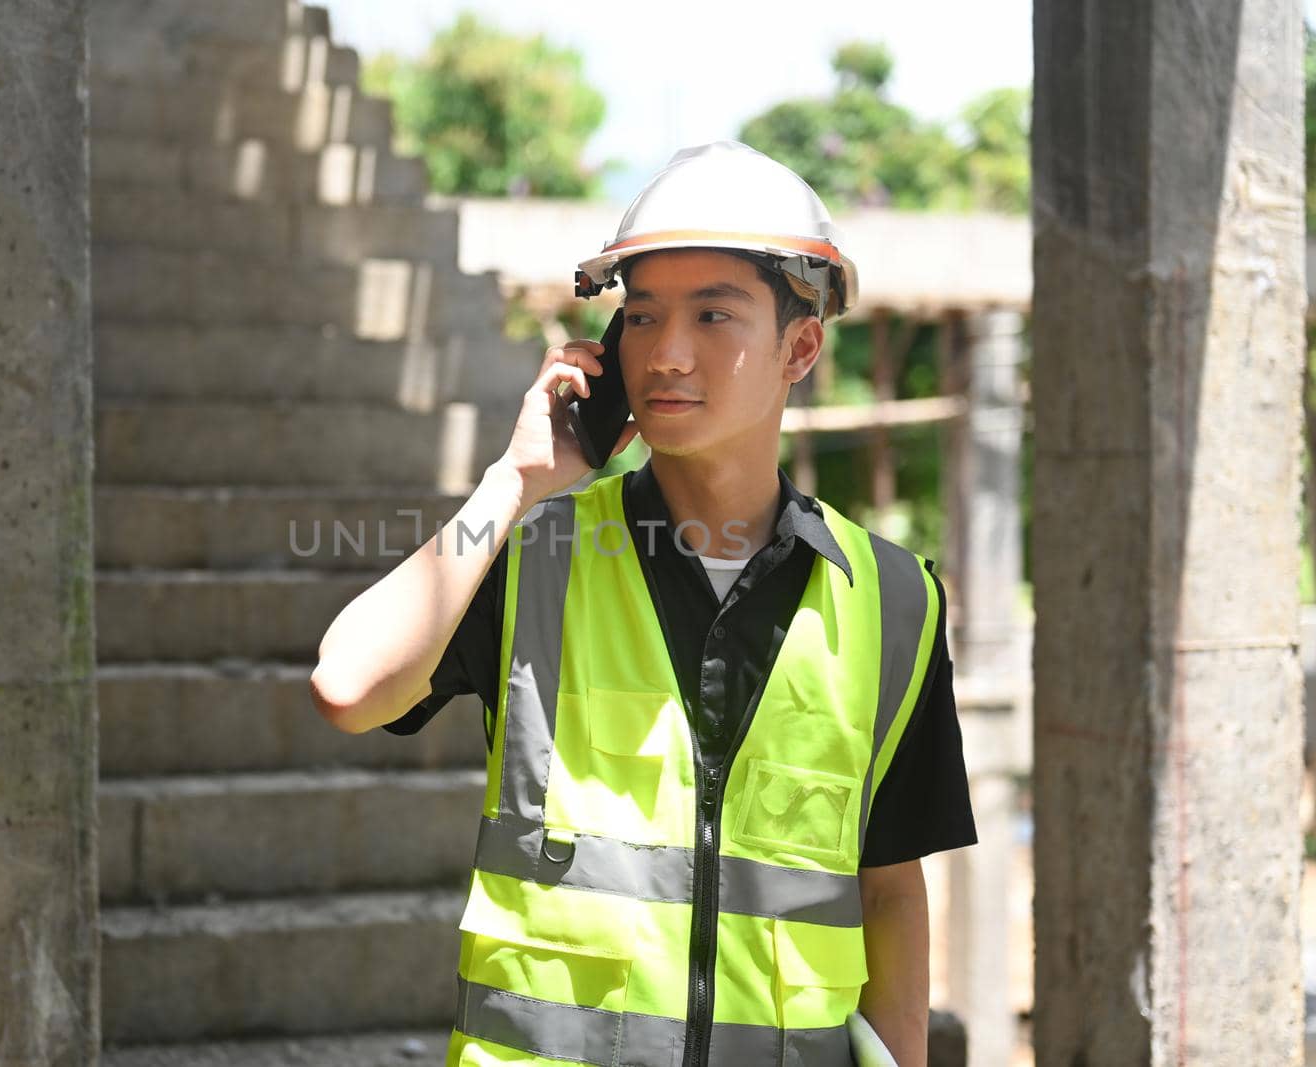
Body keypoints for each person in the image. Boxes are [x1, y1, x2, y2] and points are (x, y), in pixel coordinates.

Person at [311, 141, 977, 1067]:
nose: (666, 352)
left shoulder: (894, 600)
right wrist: (511, 483)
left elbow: (890, 890)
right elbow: (347, 686)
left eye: (713, 314)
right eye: (643, 315)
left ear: (801, 345)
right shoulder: (531, 556)